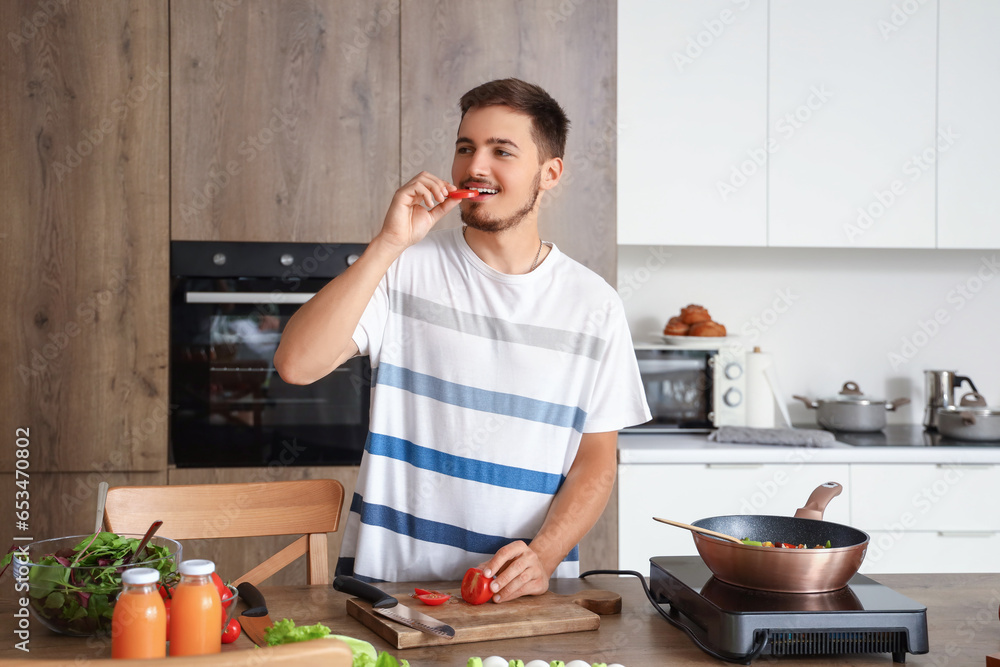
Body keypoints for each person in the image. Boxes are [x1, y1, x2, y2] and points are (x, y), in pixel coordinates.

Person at [274, 78, 650, 602]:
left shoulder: (596, 305)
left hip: (519, 594)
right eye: (466, 148)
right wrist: (388, 244)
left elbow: (595, 462)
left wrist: (542, 556)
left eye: (502, 151)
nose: (475, 166)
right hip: (390, 589)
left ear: (550, 173)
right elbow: (297, 363)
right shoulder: (404, 268)